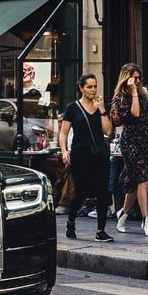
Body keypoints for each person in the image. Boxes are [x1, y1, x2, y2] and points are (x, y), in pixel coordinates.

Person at [58, 72, 113, 242]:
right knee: (81, 191)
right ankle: (71, 220)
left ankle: (100, 231)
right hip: (80, 154)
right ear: (81, 88)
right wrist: (64, 151)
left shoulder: (100, 107)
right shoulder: (72, 108)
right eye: (89, 87)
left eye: (95, 86)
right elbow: (64, 132)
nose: (93, 90)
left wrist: (103, 109)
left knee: (103, 192)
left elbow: (108, 131)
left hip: (99, 154)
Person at [111, 64, 148, 237]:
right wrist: (134, 92)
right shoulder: (120, 97)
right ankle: (147, 220)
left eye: (139, 78)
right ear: (126, 78)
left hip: (145, 141)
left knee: (134, 181)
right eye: (134, 78)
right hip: (130, 142)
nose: (137, 81)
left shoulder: (144, 94)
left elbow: (147, 116)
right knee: (143, 179)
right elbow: (135, 114)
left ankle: (123, 213)